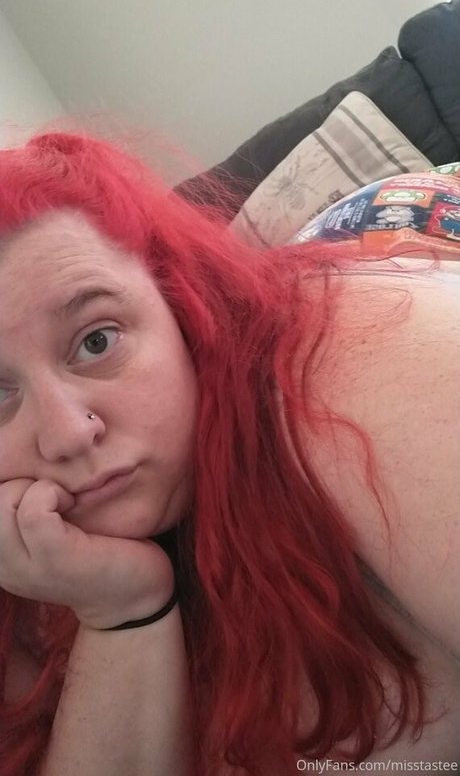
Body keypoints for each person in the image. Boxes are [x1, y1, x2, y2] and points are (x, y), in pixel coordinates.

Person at [0, 130, 458, 776]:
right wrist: (120, 611)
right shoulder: (22, 588)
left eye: (97, 340)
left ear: (180, 302)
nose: (69, 434)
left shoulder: (343, 362)